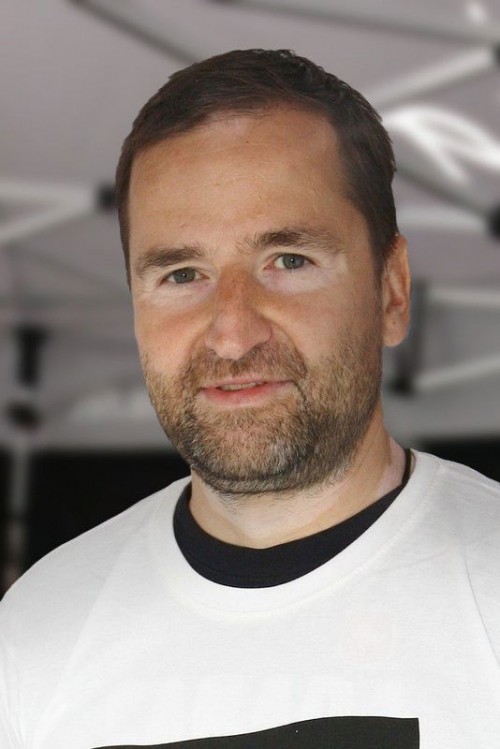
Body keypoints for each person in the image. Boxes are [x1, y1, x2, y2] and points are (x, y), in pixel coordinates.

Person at [1, 49, 499, 749]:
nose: (232, 334)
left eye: (288, 261)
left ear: (391, 291)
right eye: (182, 273)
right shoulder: (34, 632)